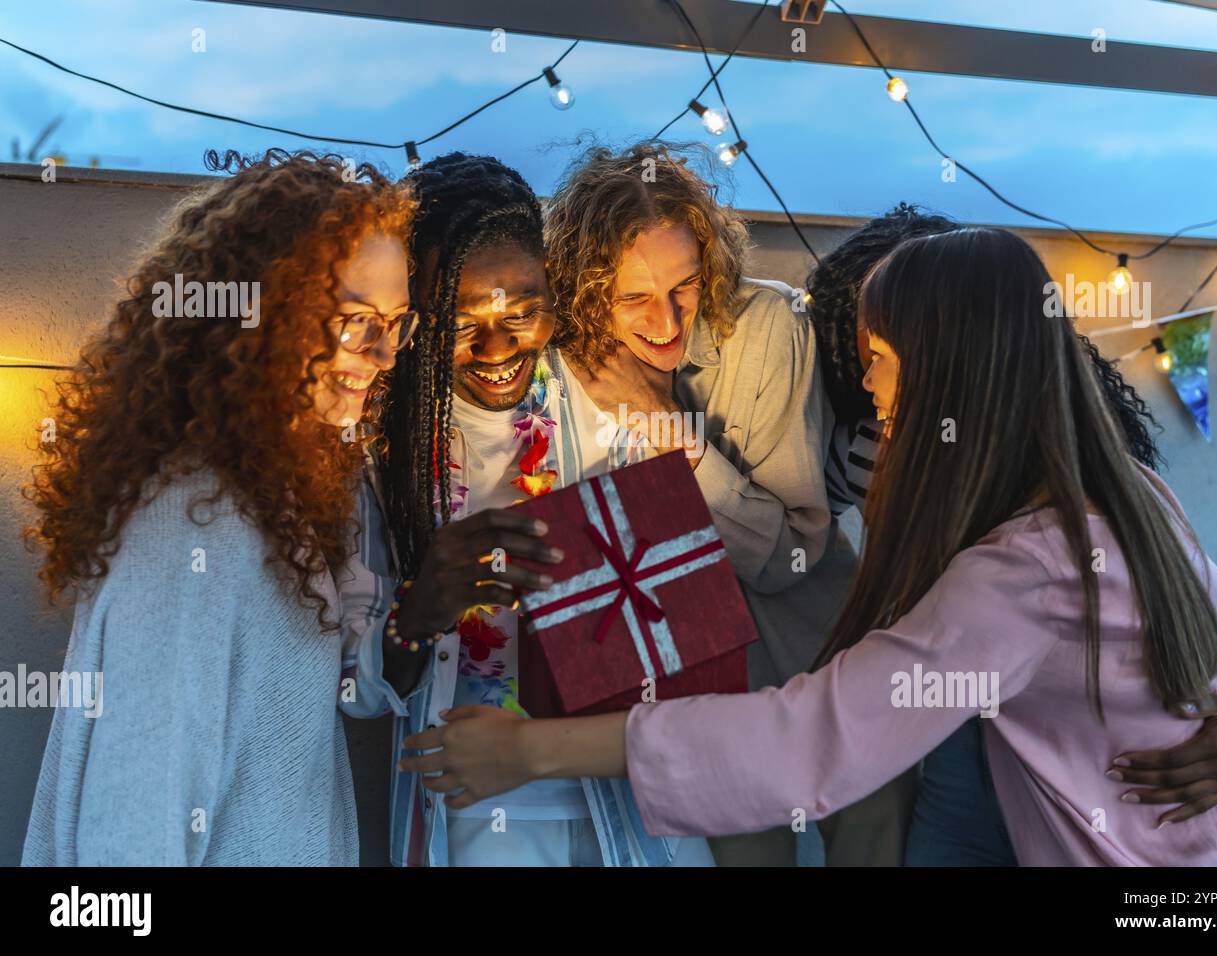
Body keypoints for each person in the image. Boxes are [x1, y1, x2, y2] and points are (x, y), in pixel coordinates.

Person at [404, 227, 1217, 867]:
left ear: (944, 366)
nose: (867, 385)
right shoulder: (1131, 493)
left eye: (877, 356)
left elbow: (810, 740)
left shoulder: (1019, 575)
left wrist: (532, 751)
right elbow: (1190, 641)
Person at [808, 204, 1217, 866]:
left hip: (1078, 742)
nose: (871, 376)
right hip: (959, 736)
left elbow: (1174, 608)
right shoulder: (871, 446)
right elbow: (796, 543)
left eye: (889, 347)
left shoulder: (1092, 462)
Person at [22, 149, 415, 865]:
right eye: (357, 320)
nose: (385, 352)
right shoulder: (192, 525)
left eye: (397, 322)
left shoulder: (278, 496)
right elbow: (130, 837)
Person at [337, 152, 713, 867]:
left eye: (526, 308)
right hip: (477, 808)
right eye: (462, 320)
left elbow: (687, 633)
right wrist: (418, 612)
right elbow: (355, 694)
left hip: (627, 795)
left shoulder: (612, 406)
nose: (499, 346)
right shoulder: (381, 454)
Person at [543, 140, 861, 865]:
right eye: (633, 298)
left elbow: (794, 554)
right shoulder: (563, 360)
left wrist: (678, 443)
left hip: (816, 670)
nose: (667, 320)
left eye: (684, 285)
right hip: (684, 702)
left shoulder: (768, 326)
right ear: (587, 293)